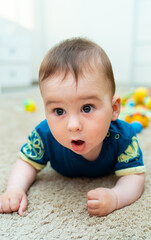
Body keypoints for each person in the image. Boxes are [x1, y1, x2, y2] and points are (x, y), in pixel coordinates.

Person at [0, 38, 145, 217]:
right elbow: (26, 163)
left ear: (114, 109)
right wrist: (14, 189)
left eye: (87, 108)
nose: (73, 126)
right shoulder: (44, 135)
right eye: (59, 111)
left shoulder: (122, 137)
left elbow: (135, 177)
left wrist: (116, 196)